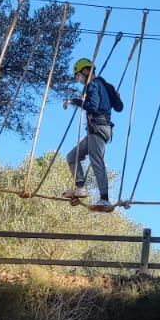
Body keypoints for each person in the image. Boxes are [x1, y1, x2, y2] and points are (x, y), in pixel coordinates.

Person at [62, 58, 117, 210]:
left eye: (79, 75)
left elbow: (92, 107)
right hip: (98, 129)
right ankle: (80, 186)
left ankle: (104, 199)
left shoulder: (93, 84)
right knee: (72, 157)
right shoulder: (103, 86)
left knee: (96, 160)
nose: (78, 79)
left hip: (98, 128)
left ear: (86, 72)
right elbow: (119, 106)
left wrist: (75, 101)